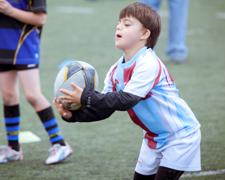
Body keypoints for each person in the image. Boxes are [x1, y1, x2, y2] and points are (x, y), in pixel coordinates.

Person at [53, 2, 201, 179]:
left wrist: (85, 97)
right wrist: (73, 116)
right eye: (119, 22)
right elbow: (105, 108)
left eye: (127, 24)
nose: (119, 26)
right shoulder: (115, 69)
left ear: (145, 34)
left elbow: (126, 100)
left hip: (180, 136)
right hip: (153, 137)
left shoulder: (148, 63)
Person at [0, 0, 72, 165]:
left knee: (33, 95)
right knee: (8, 97)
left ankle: (60, 144)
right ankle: (14, 149)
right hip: (3, 46)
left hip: (24, 46)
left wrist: (10, 11)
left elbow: (40, 19)